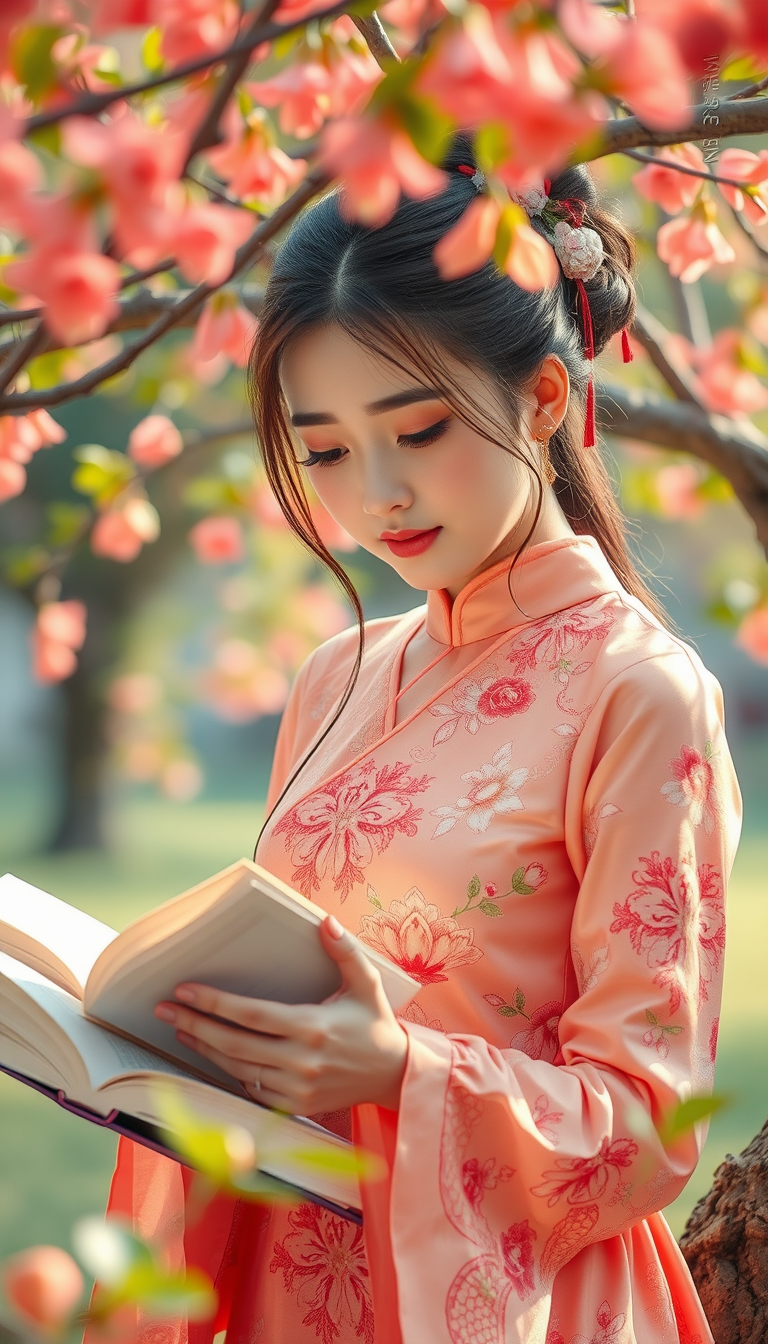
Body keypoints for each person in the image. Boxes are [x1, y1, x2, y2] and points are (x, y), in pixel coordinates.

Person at [93, 133, 743, 1344]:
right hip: (291, 1275)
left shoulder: (641, 693)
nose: (376, 496)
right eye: (328, 449)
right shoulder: (338, 671)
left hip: (511, 1301)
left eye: (421, 430)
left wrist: (401, 1075)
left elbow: (650, 1120)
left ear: (544, 398)